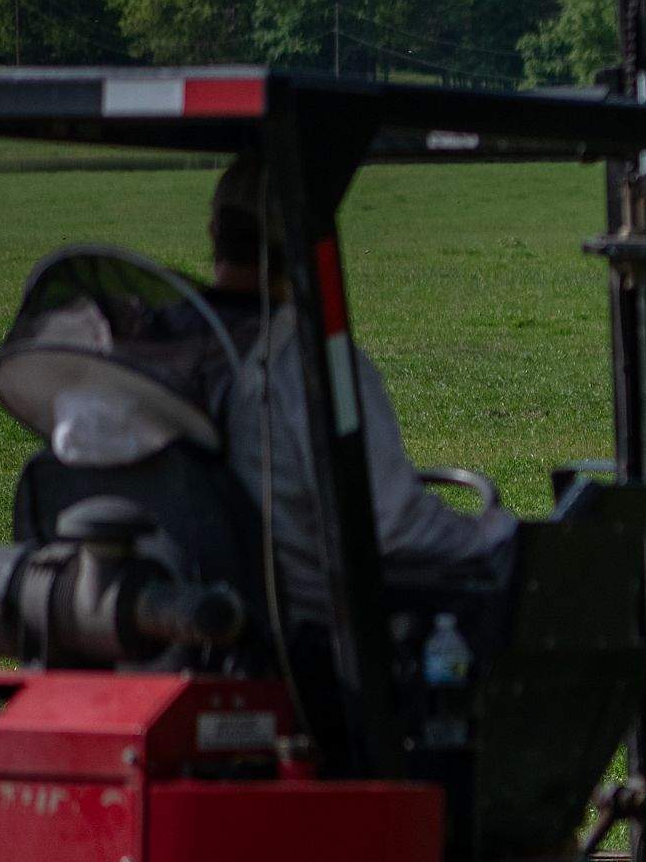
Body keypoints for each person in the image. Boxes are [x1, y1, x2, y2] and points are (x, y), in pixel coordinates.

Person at [209, 157, 516, 628]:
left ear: (215, 233)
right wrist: (496, 533)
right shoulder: (304, 360)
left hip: (216, 614)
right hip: (318, 635)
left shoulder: (179, 347)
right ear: (303, 238)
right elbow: (394, 523)